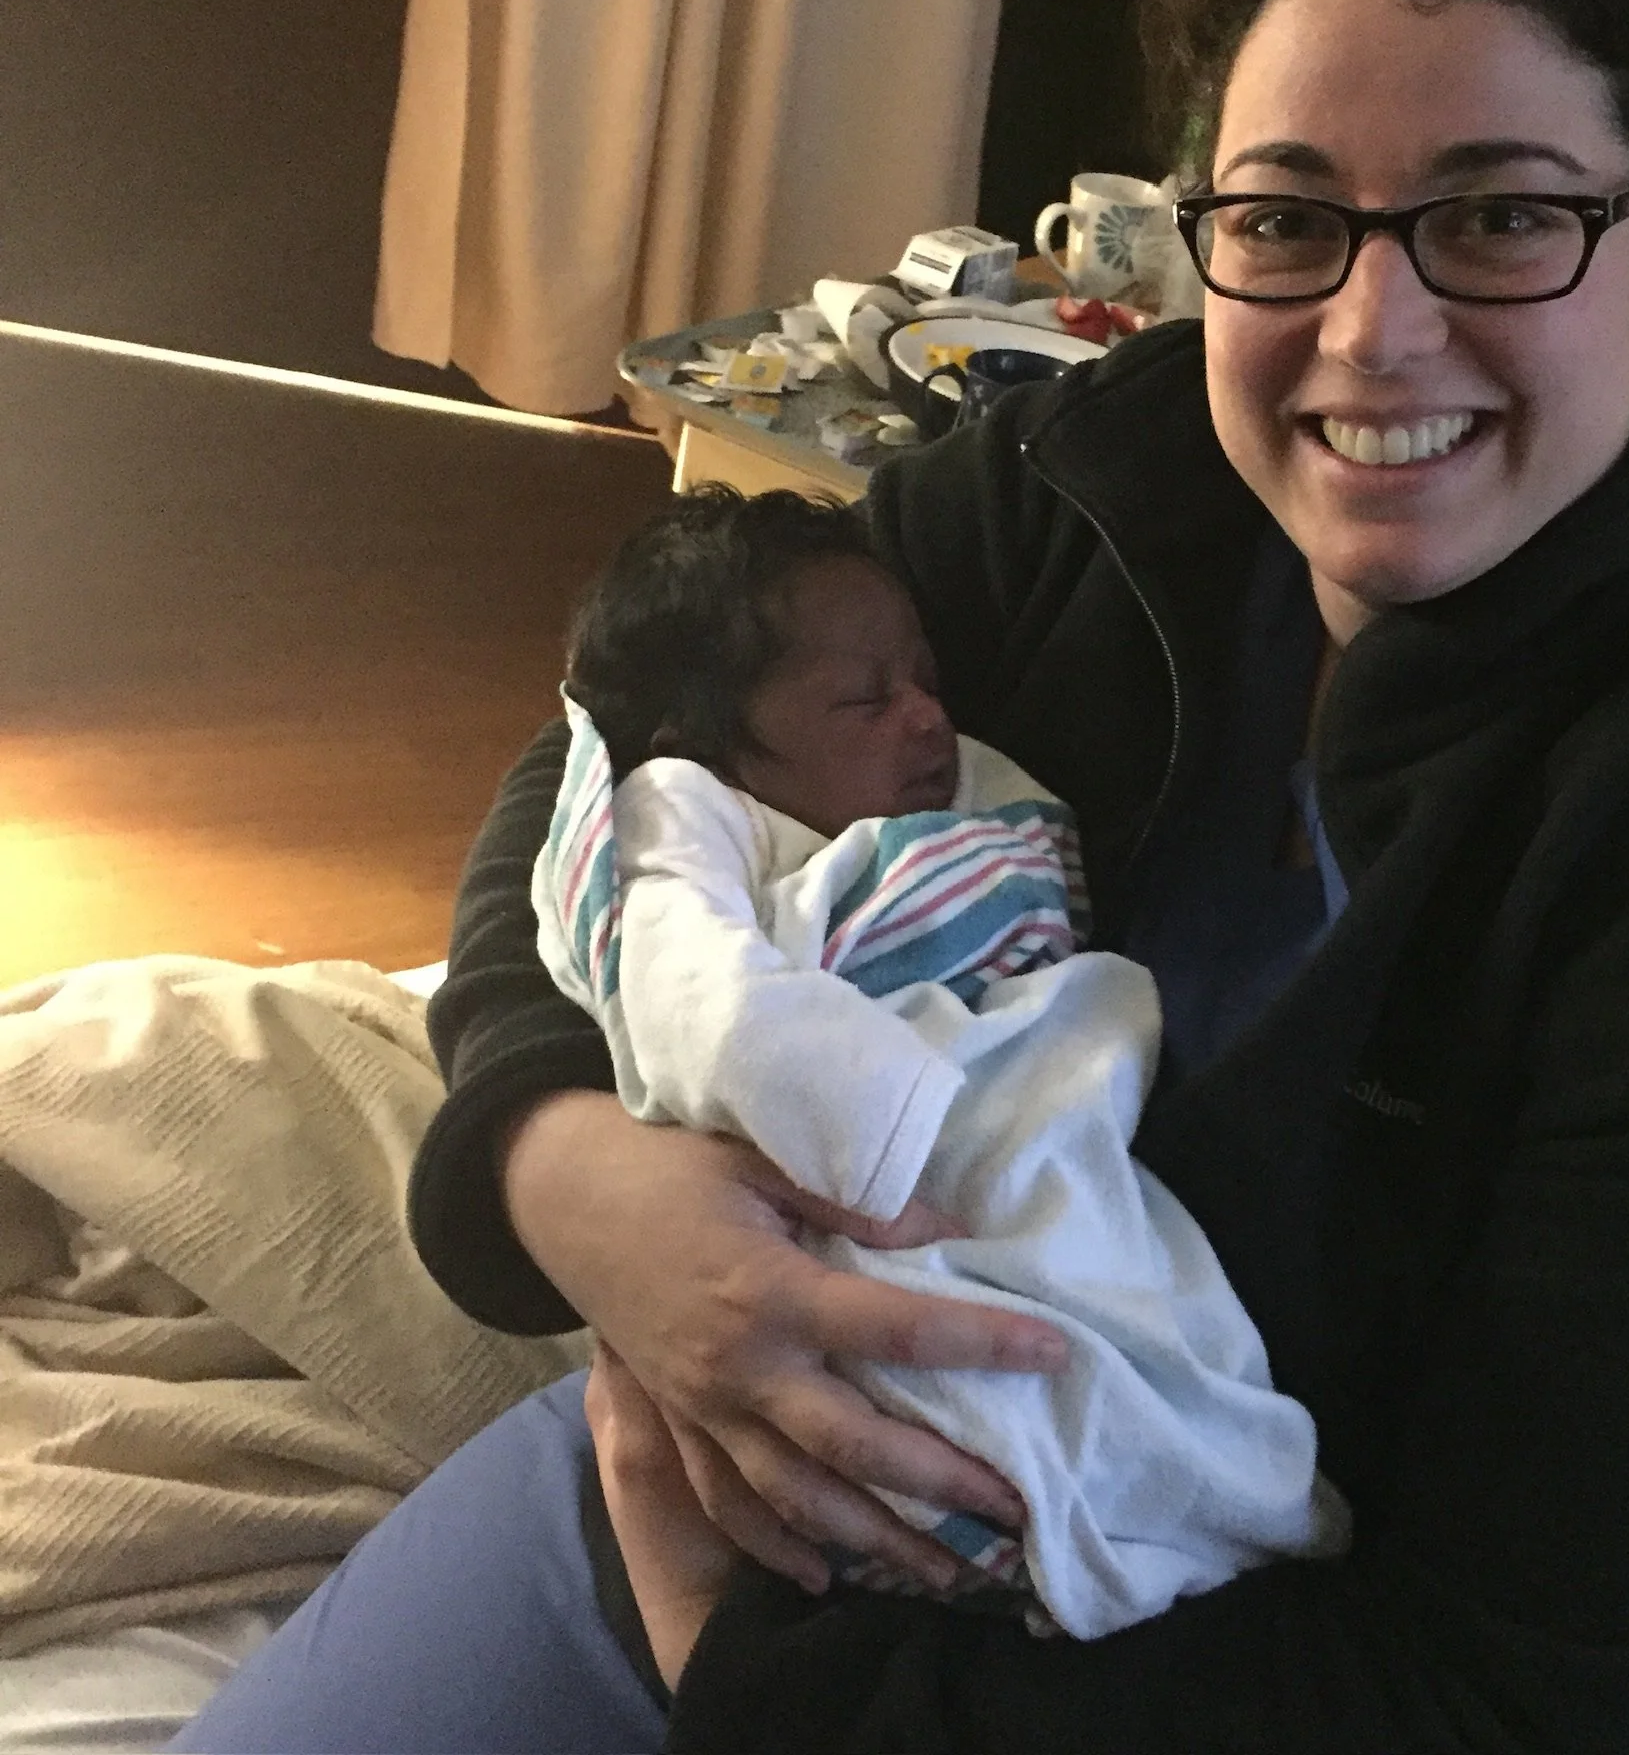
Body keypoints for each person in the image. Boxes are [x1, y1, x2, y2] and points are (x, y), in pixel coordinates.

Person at [176, 0, 1629, 1755]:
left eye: (1497, 218)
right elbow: (619, 748)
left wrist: (752, 1667)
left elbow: (1520, 1700)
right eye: (1288, 220)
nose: (1372, 331)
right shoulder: (1090, 495)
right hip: (713, 1468)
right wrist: (566, 1166)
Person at [532, 484, 1347, 1639]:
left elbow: (1041, 933)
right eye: (866, 699)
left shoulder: (956, 786)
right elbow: (694, 994)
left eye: (926, 676)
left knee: (1126, 1267)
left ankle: (1212, 1481)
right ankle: (1104, 1506)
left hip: (1022, 1075)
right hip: (865, 1155)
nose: (925, 717)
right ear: (714, 742)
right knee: (997, 1300)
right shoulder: (687, 809)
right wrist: (879, 1123)